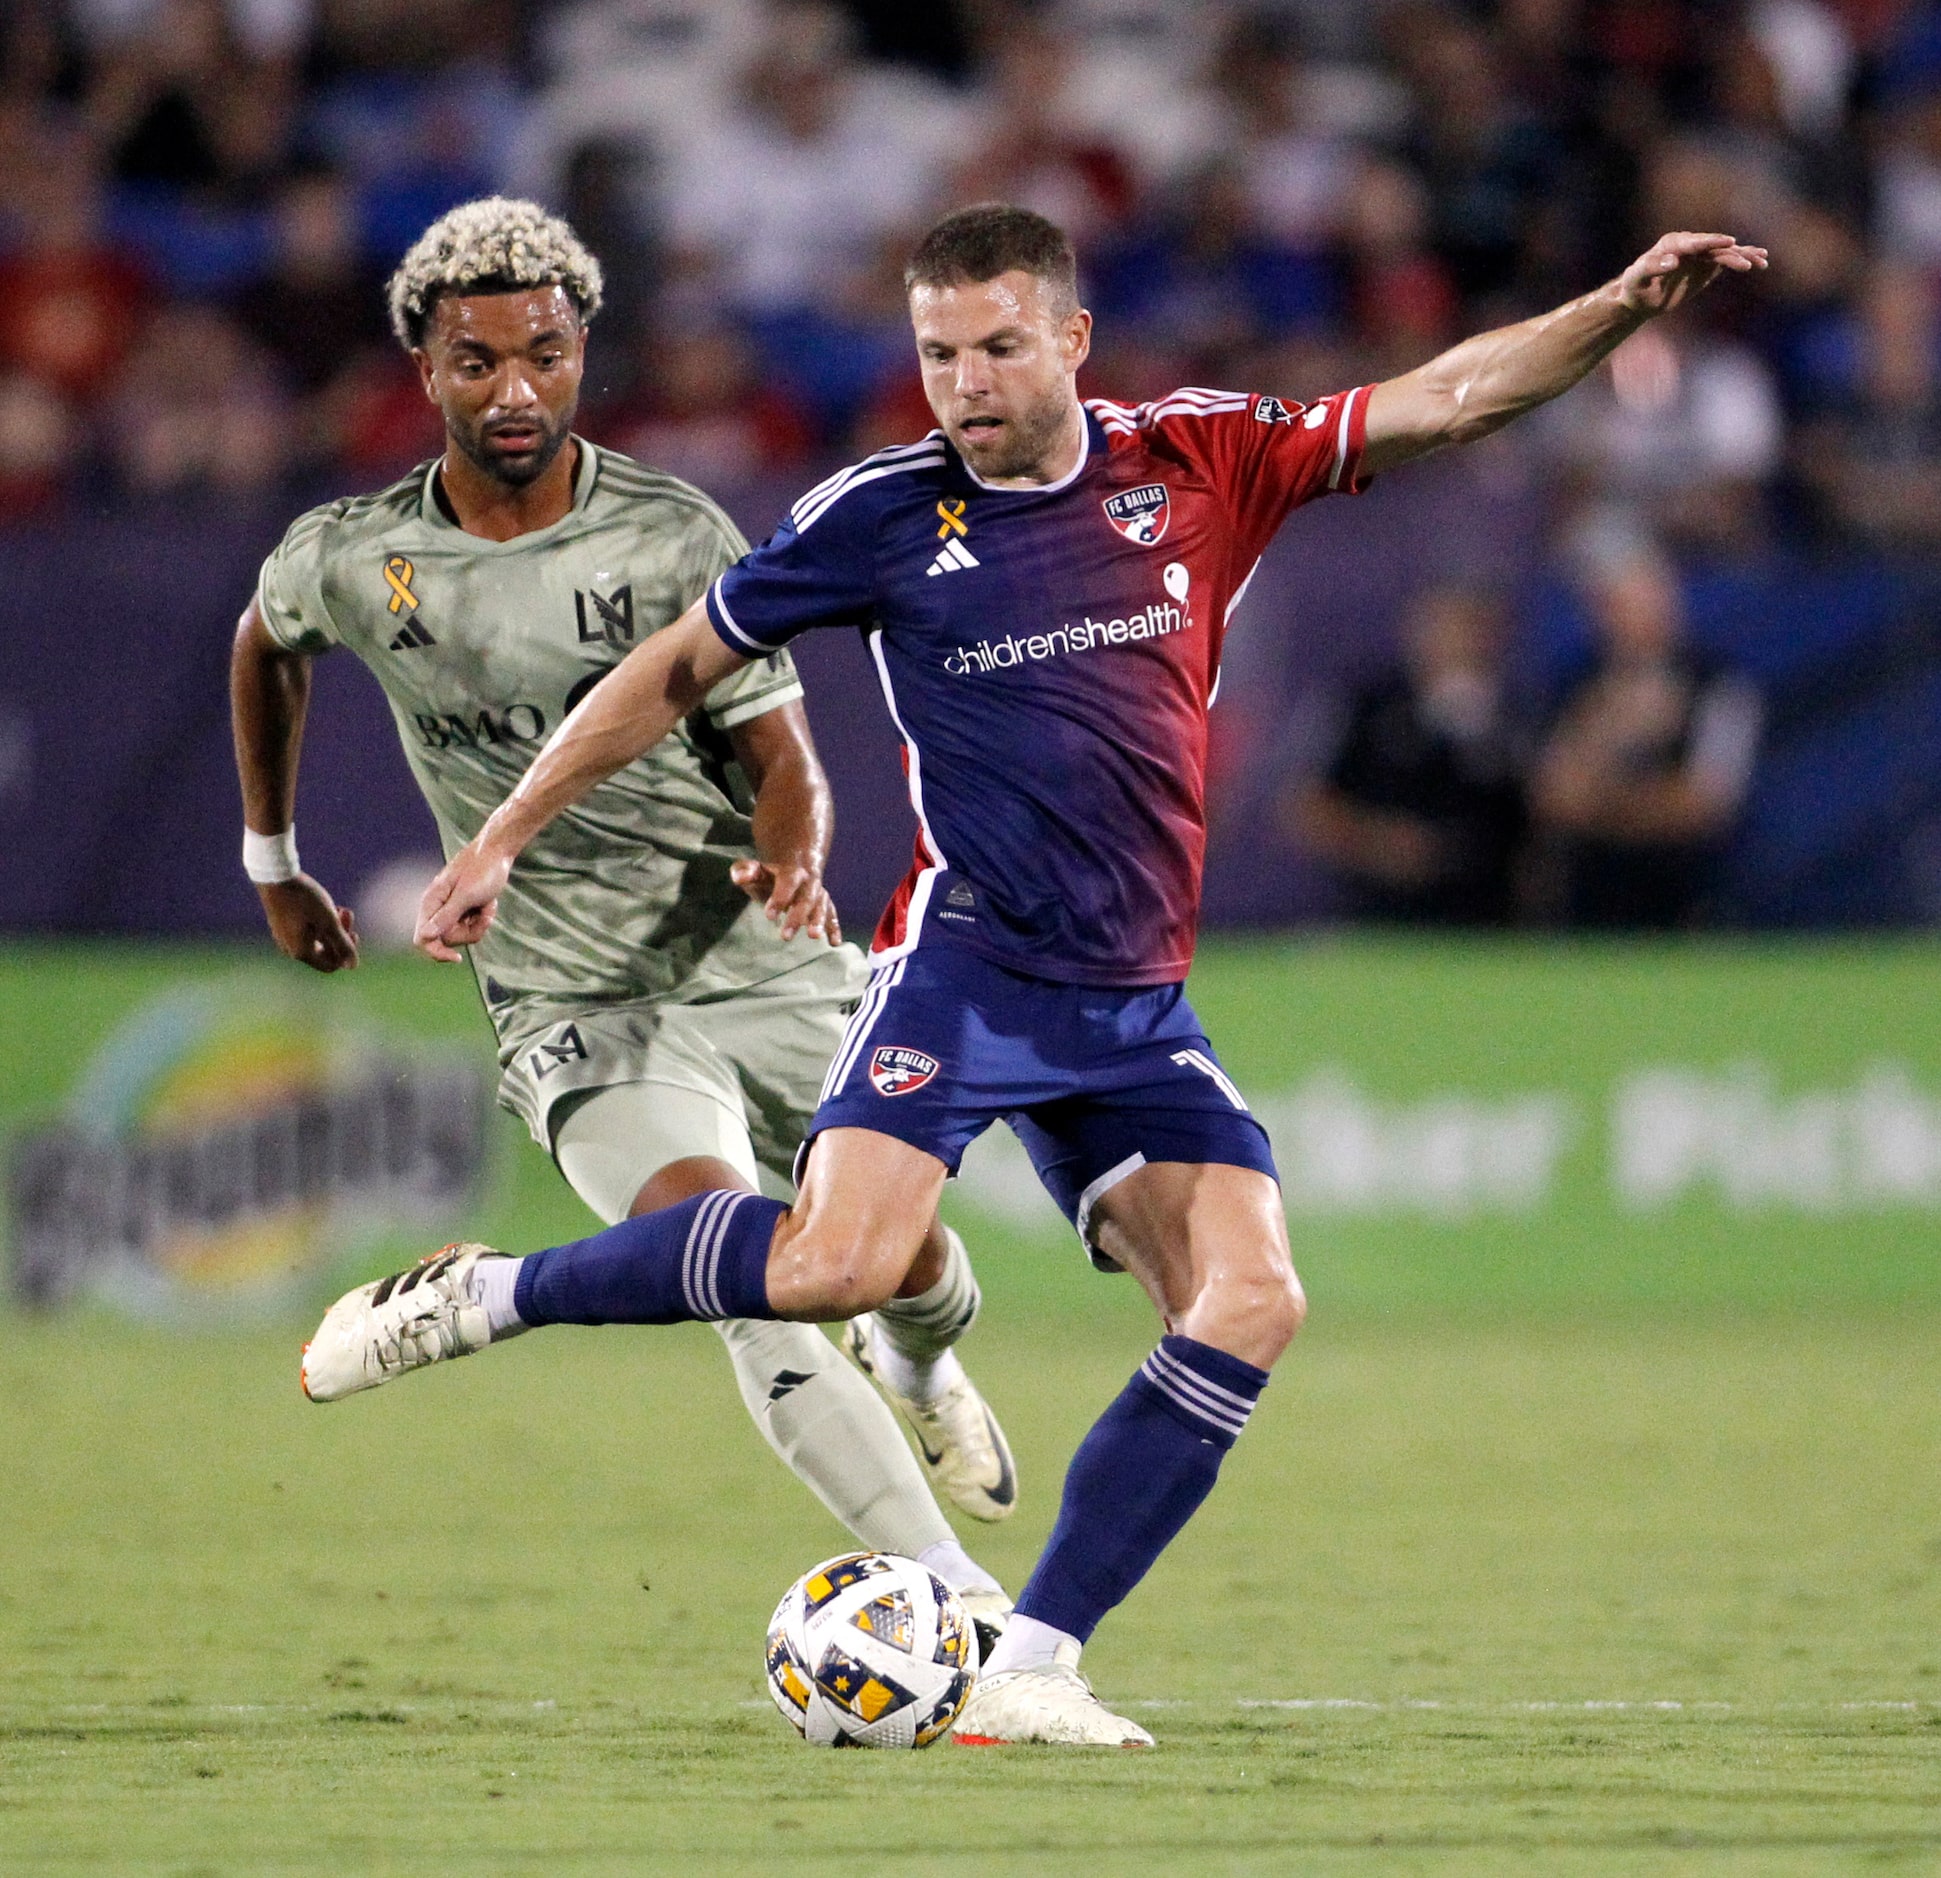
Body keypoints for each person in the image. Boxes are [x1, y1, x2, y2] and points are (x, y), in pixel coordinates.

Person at [313, 203, 1766, 1746]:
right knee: (833, 1268)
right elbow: (677, 664)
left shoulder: (1199, 460)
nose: (966, 383)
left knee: (1251, 1297)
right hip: (969, 970)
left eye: (999, 345)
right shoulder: (882, 513)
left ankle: (1031, 1662)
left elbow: (1450, 396)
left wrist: (1616, 304)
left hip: (1135, 1000)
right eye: (938, 354)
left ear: (1070, 338)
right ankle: (482, 1297)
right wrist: (506, 836)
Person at [236, 198, 1017, 1637]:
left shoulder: (668, 533)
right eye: (477, 362)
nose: (515, 389)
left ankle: (918, 1362)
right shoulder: (356, 552)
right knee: (740, 1271)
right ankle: (970, 1612)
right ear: (425, 369)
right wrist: (270, 856)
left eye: (542, 353)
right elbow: (264, 640)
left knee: (905, 1263)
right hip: (572, 1004)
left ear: (581, 347)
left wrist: (797, 855)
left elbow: (781, 753)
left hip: (758, 957)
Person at [1531, 531, 1763, 929]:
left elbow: (1706, 803)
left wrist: (1606, 810)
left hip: (1687, 902)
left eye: (1653, 598)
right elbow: (1555, 799)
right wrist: (1614, 731)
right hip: (1586, 905)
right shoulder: (1572, 686)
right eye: (1626, 604)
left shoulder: (1718, 685)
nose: (1645, 616)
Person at [1289, 584, 1528, 927]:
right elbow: (1307, 805)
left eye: (1478, 629)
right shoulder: (1369, 706)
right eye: (1452, 627)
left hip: (1488, 922)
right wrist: (1385, 845)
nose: (1464, 644)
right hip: (1376, 916)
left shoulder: (1517, 713)